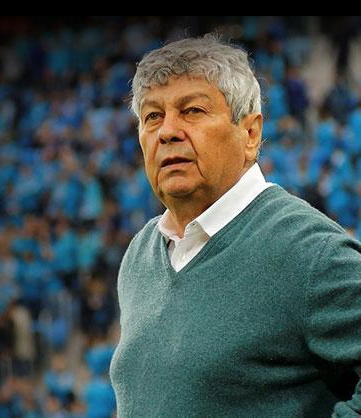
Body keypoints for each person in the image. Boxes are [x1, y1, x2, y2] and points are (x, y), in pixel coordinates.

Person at [109, 35, 361, 417]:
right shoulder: (140, 253)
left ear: (250, 133)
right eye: (152, 116)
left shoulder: (309, 252)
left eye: (192, 110)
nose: (167, 131)